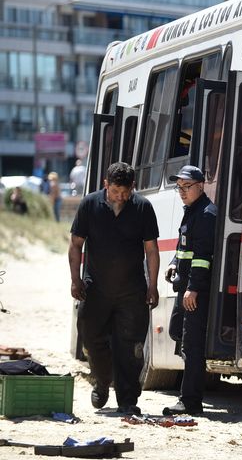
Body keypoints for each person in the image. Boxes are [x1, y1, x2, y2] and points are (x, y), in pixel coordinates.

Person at [68, 162, 159, 416]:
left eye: (125, 192)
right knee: (90, 336)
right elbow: (76, 244)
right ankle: (102, 380)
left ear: (133, 187)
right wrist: (75, 279)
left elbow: (151, 249)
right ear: (106, 184)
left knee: (130, 347)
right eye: (116, 191)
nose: (120, 197)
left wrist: (152, 285)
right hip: (95, 289)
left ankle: (128, 400)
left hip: (132, 291)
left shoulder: (142, 207)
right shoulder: (89, 205)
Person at [162, 165, 217, 416]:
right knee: (177, 332)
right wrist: (174, 262)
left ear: (201, 186)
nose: (182, 191)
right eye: (179, 187)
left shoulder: (206, 214)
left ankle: (190, 401)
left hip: (195, 291)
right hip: (184, 286)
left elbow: (203, 257)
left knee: (192, 346)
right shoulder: (192, 211)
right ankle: (189, 393)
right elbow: (184, 246)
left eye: (187, 186)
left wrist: (194, 288)